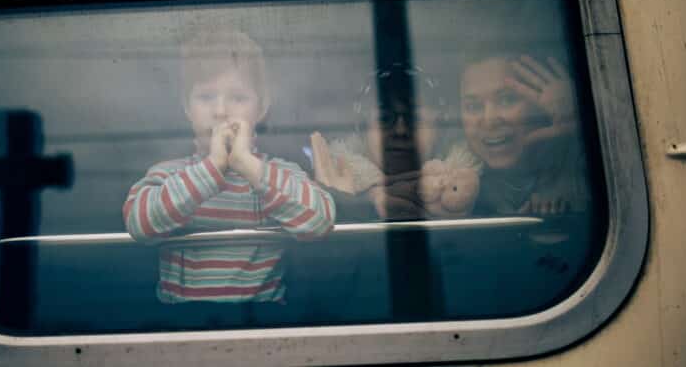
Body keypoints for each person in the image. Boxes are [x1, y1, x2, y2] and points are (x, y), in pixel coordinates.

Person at [123, 30, 335, 305]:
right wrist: (213, 167)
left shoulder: (279, 174)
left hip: (264, 322)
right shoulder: (168, 174)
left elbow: (320, 222)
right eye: (206, 97)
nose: (221, 110)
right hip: (182, 325)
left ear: (261, 108)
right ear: (187, 108)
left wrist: (247, 166)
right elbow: (138, 224)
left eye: (238, 97)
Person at [309, 64, 480, 221]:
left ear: (439, 130)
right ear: (364, 130)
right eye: (385, 119)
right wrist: (344, 206)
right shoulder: (323, 194)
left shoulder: (479, 191)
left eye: (413, 119)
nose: (400, 130)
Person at [459, 53, 591, 216]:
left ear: (543, 103)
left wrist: (584, 120)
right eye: (473, 106)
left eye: (507, 99)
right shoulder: (451, 177)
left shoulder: (584, 160)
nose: (489, 120)